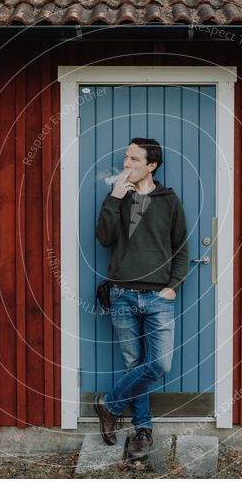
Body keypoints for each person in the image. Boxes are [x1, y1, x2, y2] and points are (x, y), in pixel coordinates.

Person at [93, 137, 189, 462]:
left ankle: (110, 405)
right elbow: (104, 238)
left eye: (134, 159)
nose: (126, 164)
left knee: (158, 364)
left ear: (152, 165)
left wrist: (174, 284)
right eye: (125, 158)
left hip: (158, 297)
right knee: (134, 365)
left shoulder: (169, 201)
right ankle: (143, 430)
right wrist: (115, 198)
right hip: (121, 294)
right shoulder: (117, 196)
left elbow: (181, 249)